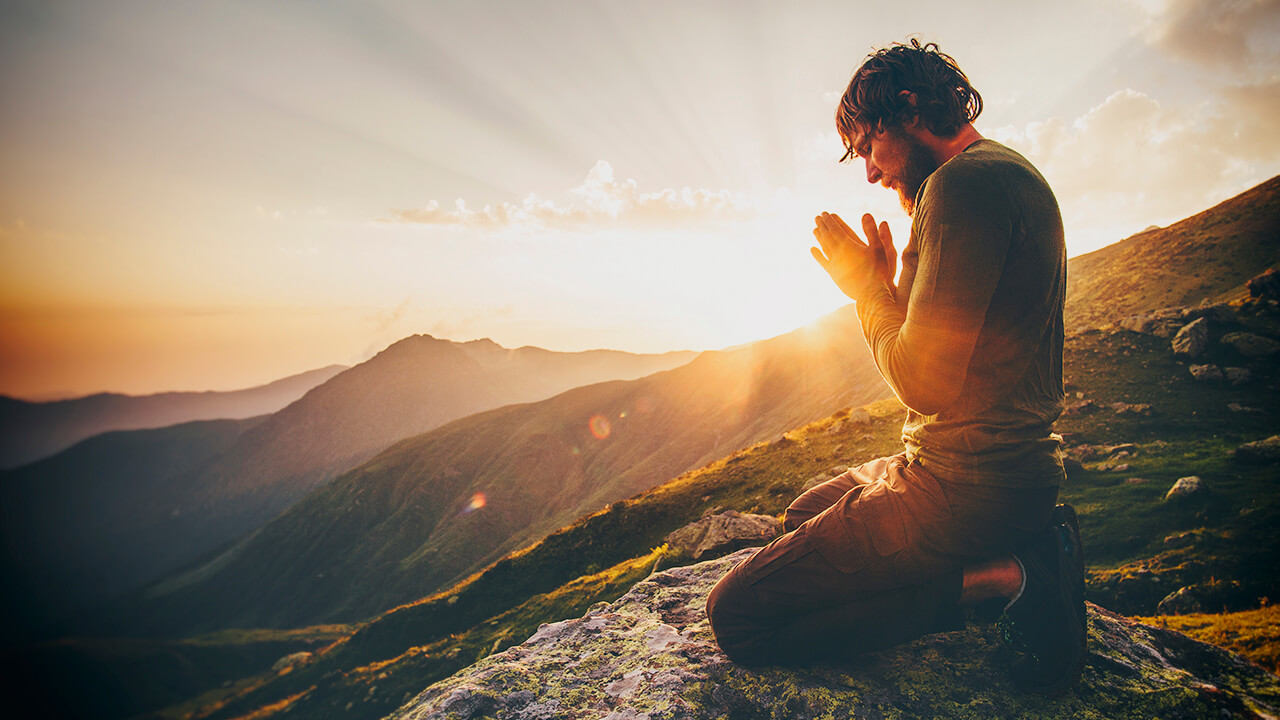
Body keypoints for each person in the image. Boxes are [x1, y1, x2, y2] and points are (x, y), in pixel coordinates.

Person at [705, 39, 1086, 695]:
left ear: (907, 108)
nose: (871, 175)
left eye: (867, 147)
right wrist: (894, 282)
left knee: (737, 618)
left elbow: (924, 383)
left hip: (967, 487)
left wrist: (866, 292)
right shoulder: (1000, 172)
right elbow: (960, 339)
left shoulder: (962, 186)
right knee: (802, 518)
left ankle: (1010, 578)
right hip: (997, 473)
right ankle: (1018, 550)